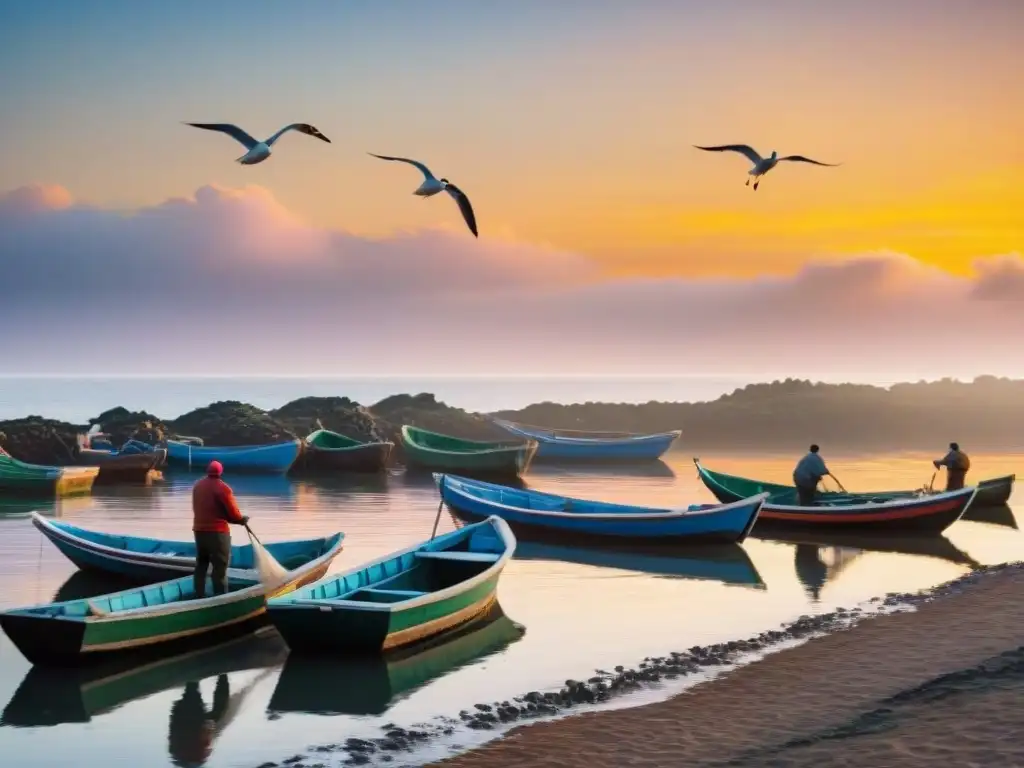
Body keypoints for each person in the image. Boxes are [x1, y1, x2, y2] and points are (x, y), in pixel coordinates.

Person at [192, 460, 249, 598]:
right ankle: (220, 597)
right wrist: (242, 520)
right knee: (220, 568)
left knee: (201, 565)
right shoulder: (223, 488)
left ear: (208, 471)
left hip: (199, 531)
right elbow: (233, 514)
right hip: (217, 534)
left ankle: (198, 595)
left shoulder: (197, 486)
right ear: (220, 472)